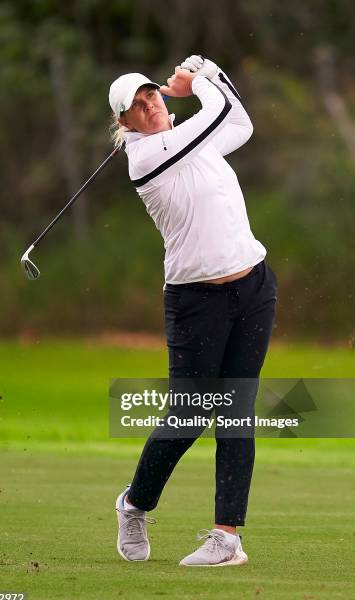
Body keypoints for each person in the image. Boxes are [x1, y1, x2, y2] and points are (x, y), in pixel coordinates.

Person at [108, 55, 278, 566]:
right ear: (126, 123)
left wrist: (211, 73)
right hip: (195, 301)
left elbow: (239, 122)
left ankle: (226, 537)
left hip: (253, 285)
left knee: (235, 410)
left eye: (152, 94)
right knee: (188, 414)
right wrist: (199, 78)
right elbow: (219, 108)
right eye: (138, 105)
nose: (151, 103)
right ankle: (135, 503)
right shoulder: (145, 158)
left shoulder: (193, 140)